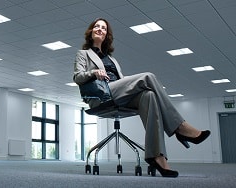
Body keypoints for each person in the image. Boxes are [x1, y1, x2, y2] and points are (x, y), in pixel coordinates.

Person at [73, 18, 211, 178]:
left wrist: (128, 80)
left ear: (106, 35)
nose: (100, 29)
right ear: (90, 31)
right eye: (96, 26)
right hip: (100, 94)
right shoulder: (83, 54)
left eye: (104, 28)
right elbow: (77, 77)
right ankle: (180, 127)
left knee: (149, 95)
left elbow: (120, 80)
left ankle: (157, 156)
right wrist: (94, 72)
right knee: (148, 77)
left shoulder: (112, 60)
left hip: (116, 92)